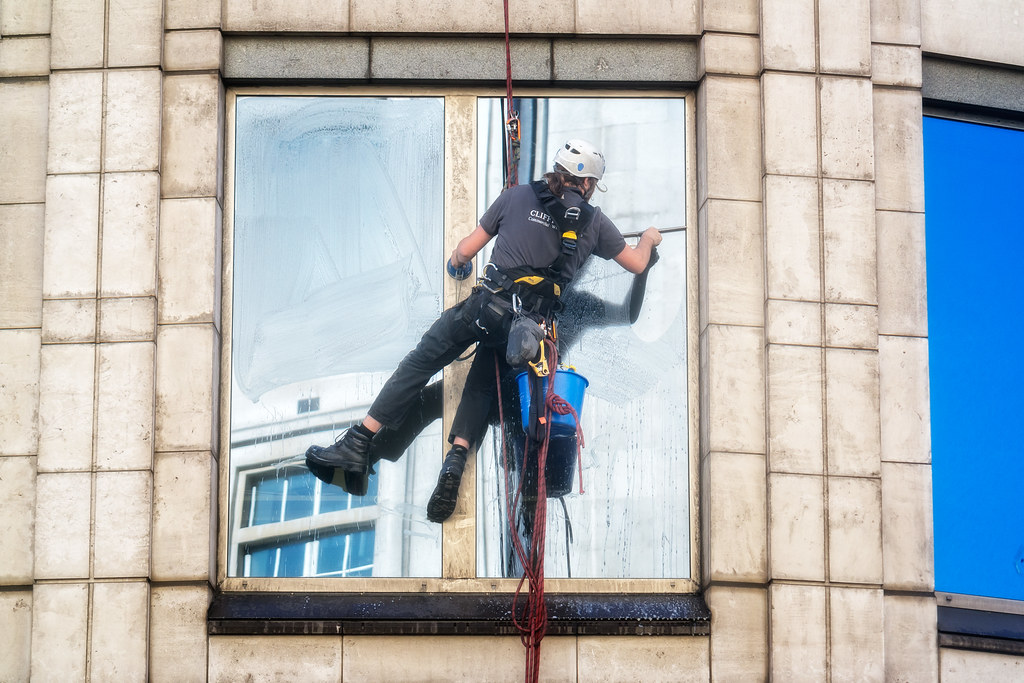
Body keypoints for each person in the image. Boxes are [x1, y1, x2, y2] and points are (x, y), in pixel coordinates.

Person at [305, 138, 663, 522]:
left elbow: (464, 251)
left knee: (421, 362)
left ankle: (360, 442)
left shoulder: (517, 196)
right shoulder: (596, 224)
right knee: (480, 383)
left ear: (556, 170)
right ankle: (453, 464)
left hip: (486, 307)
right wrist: (649, 239)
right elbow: (638, 265)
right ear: (589, 185)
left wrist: (457, 266)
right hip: (526, 333)